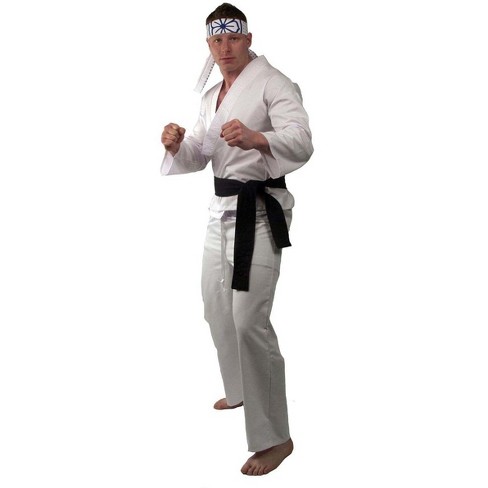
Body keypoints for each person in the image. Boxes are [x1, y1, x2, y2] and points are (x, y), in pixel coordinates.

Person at [160, 3, 313, 476]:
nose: (225, 48)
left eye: (232, 38)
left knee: (249, 321)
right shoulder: (212, 95)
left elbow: (302, 140)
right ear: (208, 45)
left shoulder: (274, 83)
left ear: (247, 39)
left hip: (260, 212)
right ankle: (242, 387)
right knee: (215, 306)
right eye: (216, 40)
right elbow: (201, 153)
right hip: (220, 210)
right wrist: (177, 145)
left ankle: (276, 438)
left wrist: (258, 138)